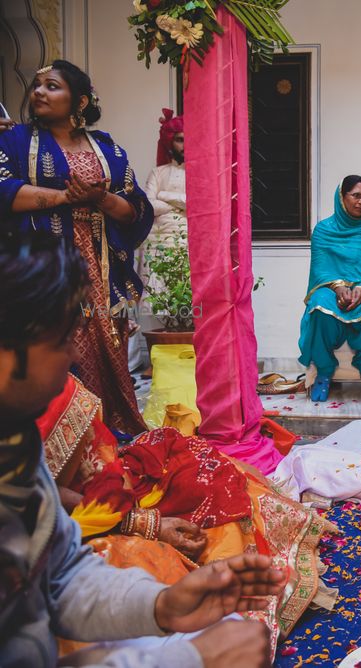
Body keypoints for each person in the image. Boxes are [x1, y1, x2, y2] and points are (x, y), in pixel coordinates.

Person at [0, 230, 284, 667]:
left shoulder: (14, 443)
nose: (74, 356)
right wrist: (194, 661)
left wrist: (162, 605)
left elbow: (59, 576)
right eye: (59, 341)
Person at [37, 374, 335, 643]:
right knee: (155, 570)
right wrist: (141, 523)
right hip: (70, 530)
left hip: (114, 492)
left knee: (205, 471)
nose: (75, 348)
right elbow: (35, 495)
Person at [0, 60, 153, 434]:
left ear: (80, 101)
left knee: (106, 350)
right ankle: (67, 438)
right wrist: (64, 197)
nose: (38, 92)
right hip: (45, 267)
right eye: (36, 85)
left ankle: (109, 432)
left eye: (52, 86)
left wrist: (100, 199)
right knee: (61, 346)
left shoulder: (107, 149)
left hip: (100, 269)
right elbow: (3, 191)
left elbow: (136, 208)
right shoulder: (14, 141)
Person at [298, 175, 361, 400]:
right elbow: (321, 269)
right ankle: (324, 371)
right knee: (320, 305)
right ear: (342, 197)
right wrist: (339, 286)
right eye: (356, 195)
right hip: (331, 288)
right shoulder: (323, 230)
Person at [140, 108, 187, 289]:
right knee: (155, 300)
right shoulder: (158, 173)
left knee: (185, 299)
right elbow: (149, 206)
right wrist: (180, 205)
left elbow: (197, 205)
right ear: (170, 142)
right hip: (156, 241)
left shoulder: (200, 174)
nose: (185, 145)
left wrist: (163, 195)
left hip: (187, 241)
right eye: (180, 140)